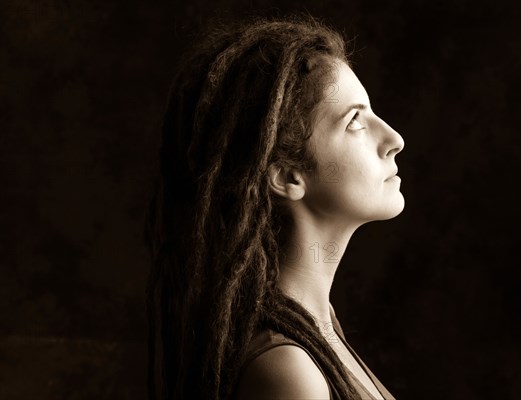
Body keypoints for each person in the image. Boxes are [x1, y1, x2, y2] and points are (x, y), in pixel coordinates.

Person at [144, 12, 403, 400]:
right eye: (355, 122)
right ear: (286, 176)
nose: (394, 138)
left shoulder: (318, 329)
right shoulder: (289, 371)